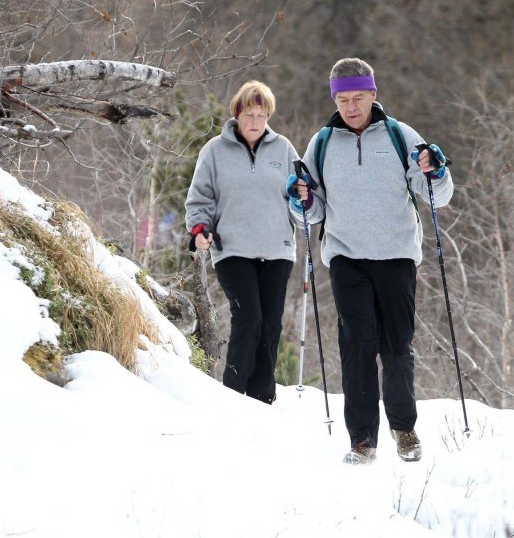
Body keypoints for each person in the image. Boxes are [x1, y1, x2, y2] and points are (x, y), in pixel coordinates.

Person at [286, 58, 454, 464]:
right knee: (357, 343)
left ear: (373, 95)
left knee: (396, 344)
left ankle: (404, 428)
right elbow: (312, 212)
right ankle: (362, 440)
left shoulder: (401, 136)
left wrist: (436, 172)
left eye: (357, 98)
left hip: (396, 255)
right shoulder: (322, 142)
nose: (351, 107)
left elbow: (438, 195)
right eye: (342, 100)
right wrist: (300, 199)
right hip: (346, 258)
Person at [185, 80, 300, 405]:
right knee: (248, 318)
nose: (255, 121)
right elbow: (199, 199)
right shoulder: (214, 151)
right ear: (237, 113)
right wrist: (199, 230)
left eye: (261, 115)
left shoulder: (284, 149)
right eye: (249, 114)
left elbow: (300, 195)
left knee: (270, 325)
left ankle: (263, 398)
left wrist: (303, 200)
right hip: (232, 249)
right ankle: (234, 397)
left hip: (277, 249)